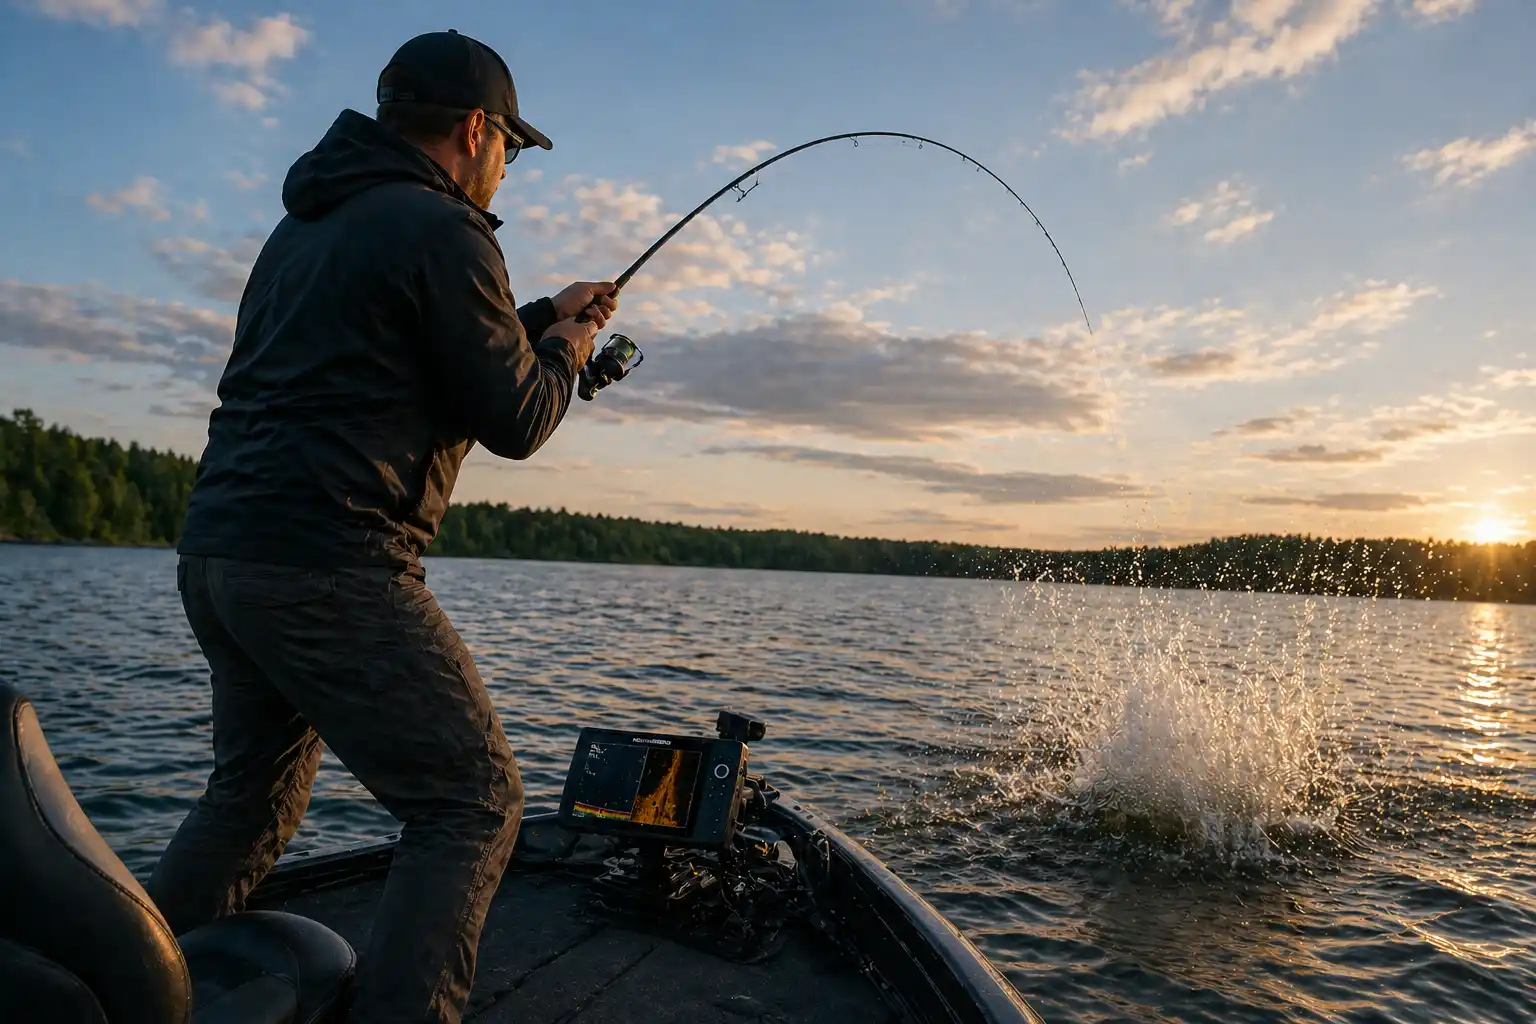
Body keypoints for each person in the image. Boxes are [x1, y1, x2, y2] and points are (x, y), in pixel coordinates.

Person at [147, 29, 617, 1024]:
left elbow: (426, 333)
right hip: (333, 564)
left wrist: (538, 311)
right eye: (510, 150)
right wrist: (571, 348)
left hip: (224, 558)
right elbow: (519, 416)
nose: (506, 170)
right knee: (472, 803)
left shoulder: (315, 225)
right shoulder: (447, 231)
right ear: (474, 130)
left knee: (245, 805)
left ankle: (116, 991)